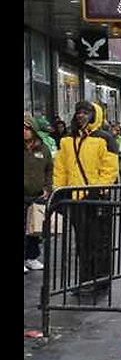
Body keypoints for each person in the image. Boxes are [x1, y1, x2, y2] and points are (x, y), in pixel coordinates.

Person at [53, 102, 120, 296]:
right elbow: (61, 168)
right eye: (79, 112)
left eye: (86, 112)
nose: (81, 116)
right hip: (76, 199)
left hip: (97, 198)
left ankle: (100, 279)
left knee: (99, 241)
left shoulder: (105, 139)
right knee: (82, 243)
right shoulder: (67, 140)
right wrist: (59, 191)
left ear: (94, 115)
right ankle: (86, 279)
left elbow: (109, 169)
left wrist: (97, 190)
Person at [25, 115, 53, 273]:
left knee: (34, 228)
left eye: (27, 128)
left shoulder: (43, 148)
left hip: (37, 195)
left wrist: (48, 187)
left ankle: (31, 257)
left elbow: (49, 169)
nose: (24, 131)